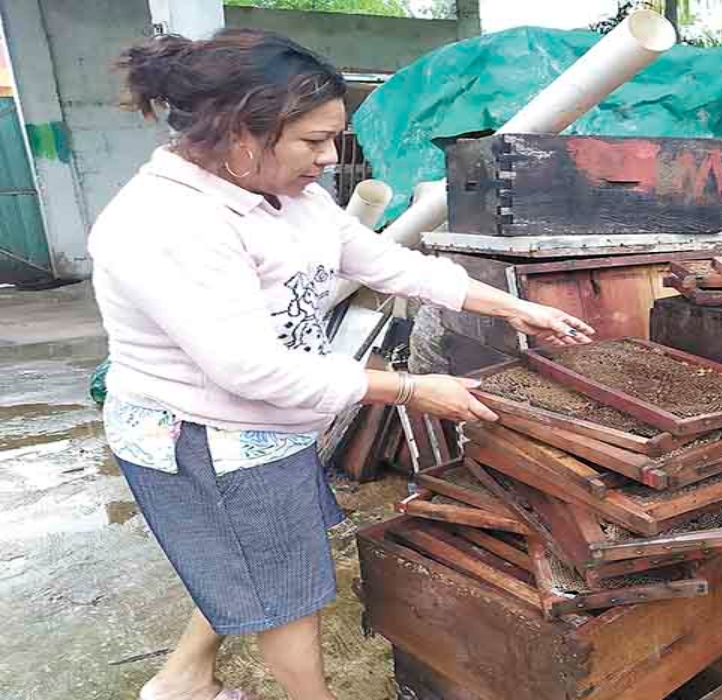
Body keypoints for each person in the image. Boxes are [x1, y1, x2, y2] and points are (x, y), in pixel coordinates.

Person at [90, 29, 594, 700]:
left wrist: (511, 308)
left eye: (334, 137)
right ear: (241, 132)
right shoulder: (168, 223)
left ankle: (182, 678)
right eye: (312, 141)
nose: (330, 159)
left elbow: (389, 263)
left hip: (265, 424)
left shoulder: (292, 197)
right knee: (289, 588)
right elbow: (251, 371)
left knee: (250, 563)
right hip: (206, 436)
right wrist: (410, 388)